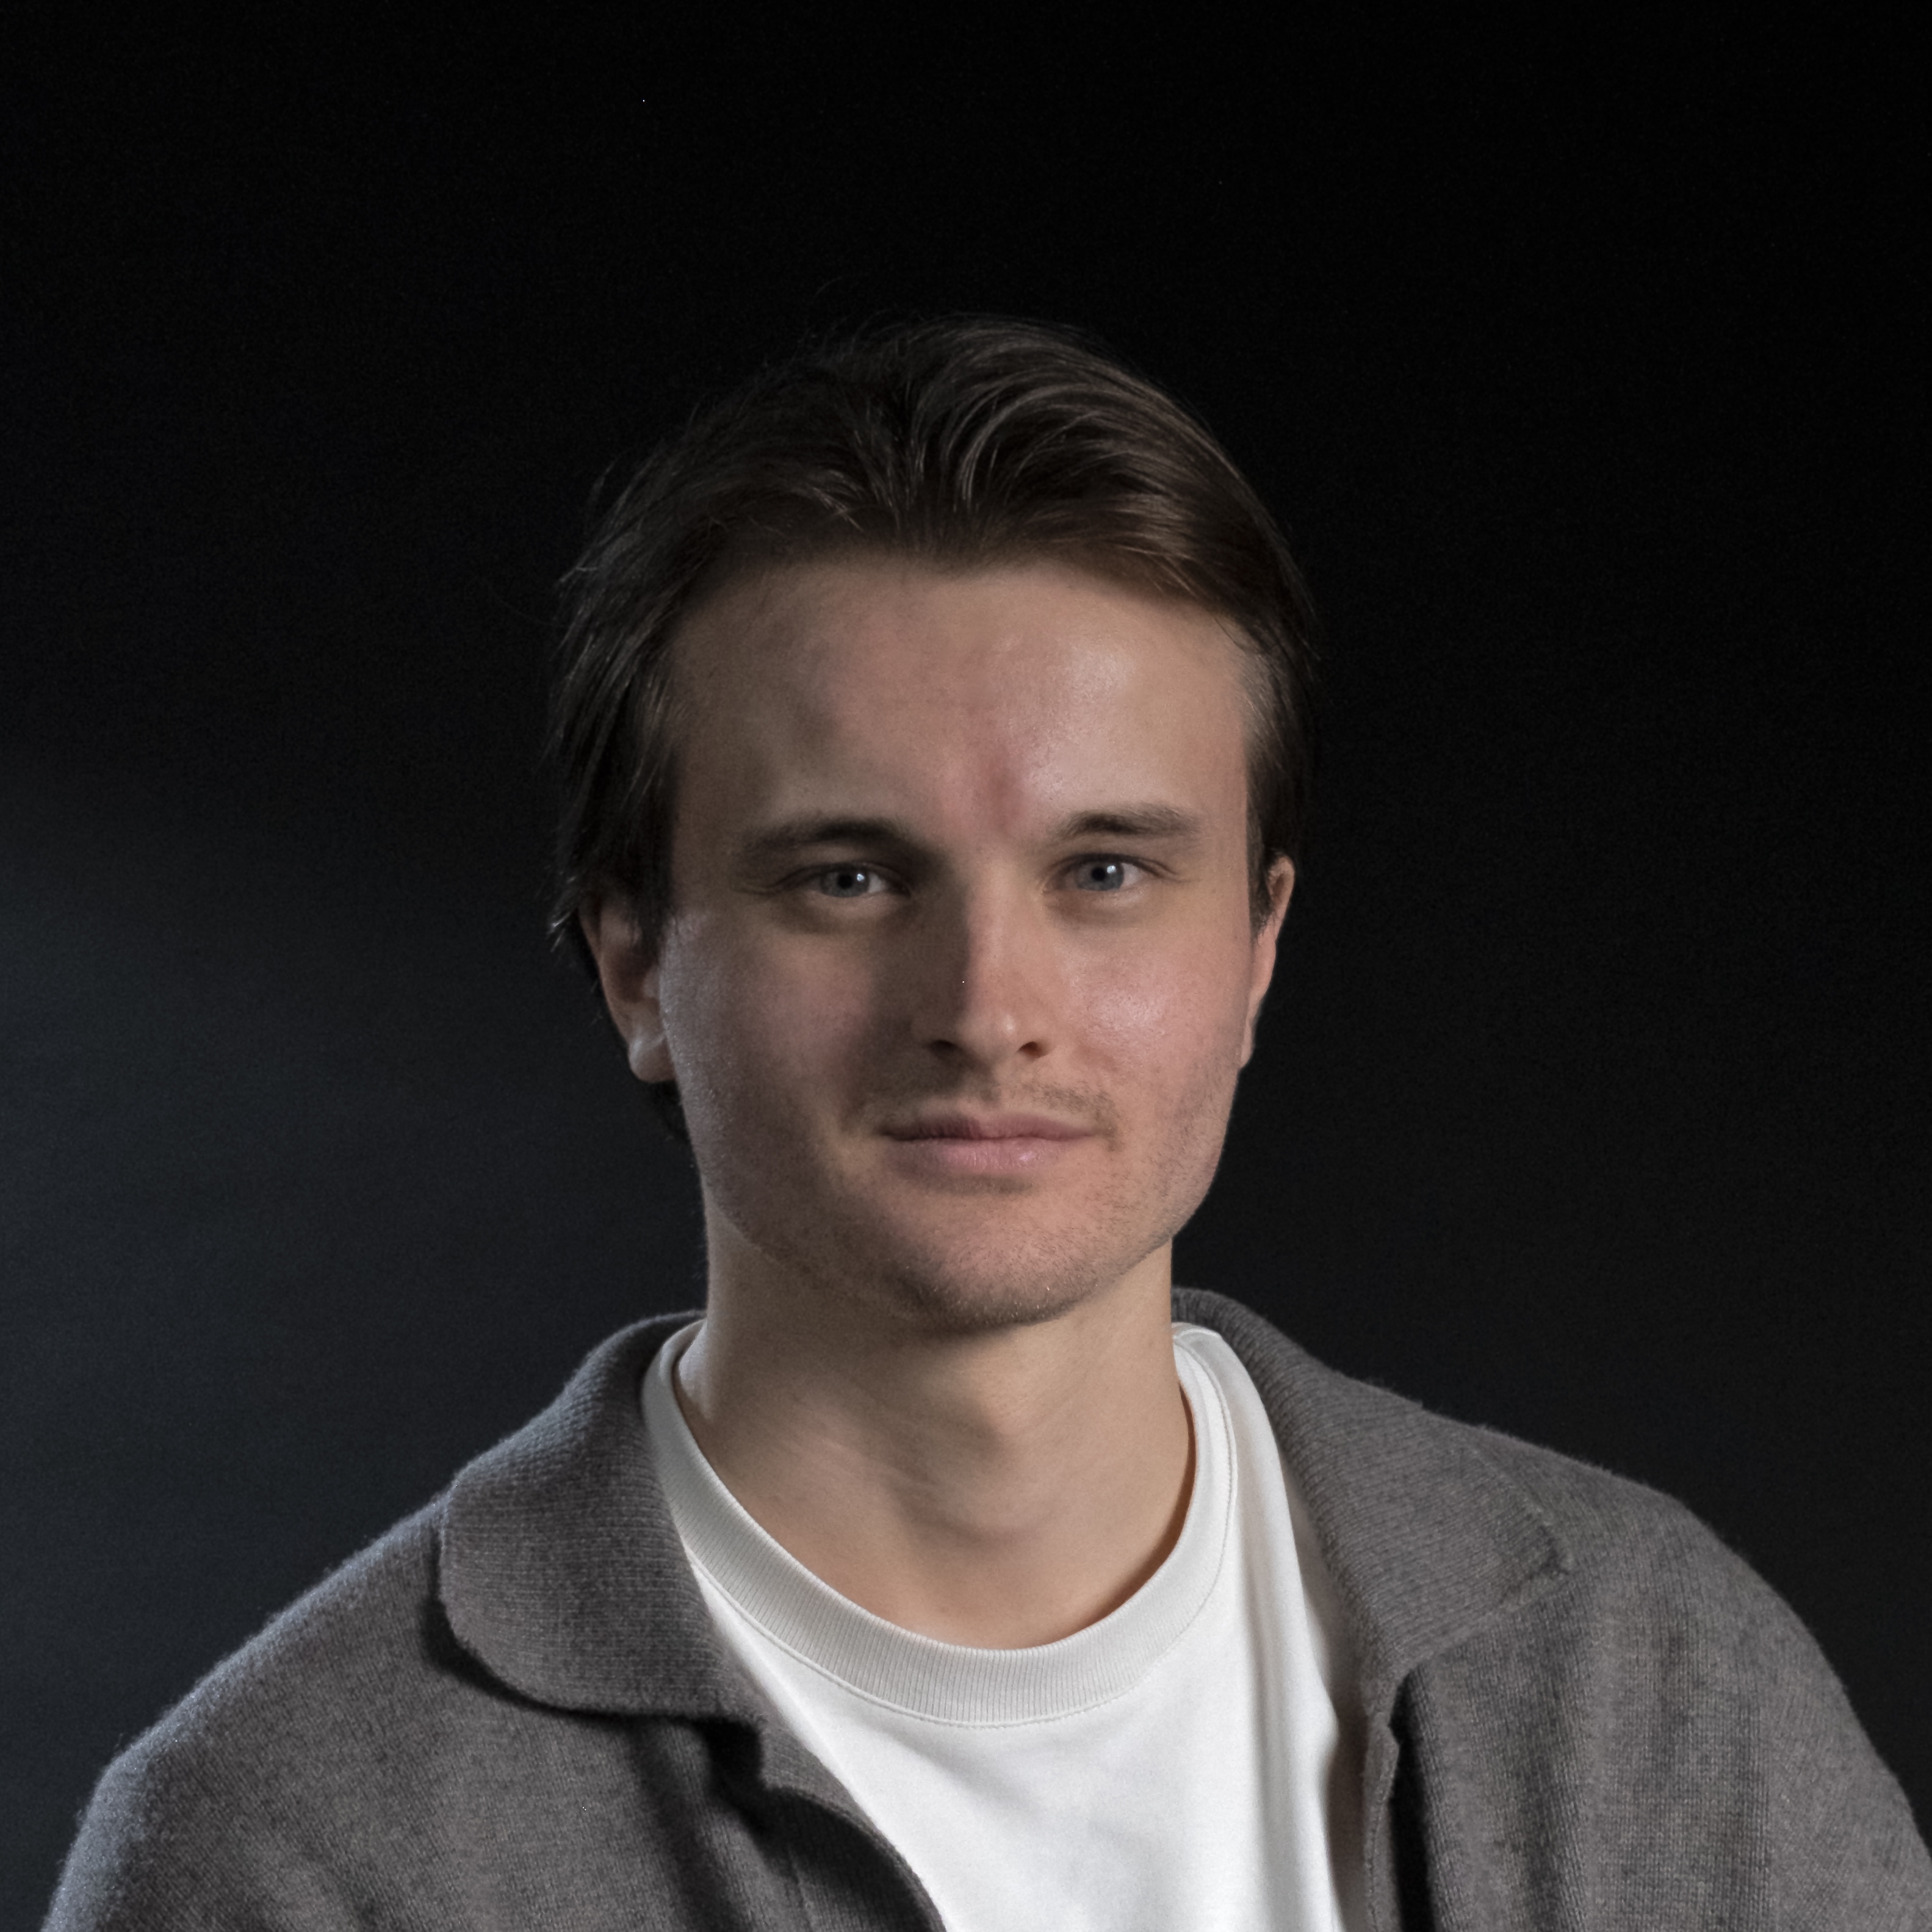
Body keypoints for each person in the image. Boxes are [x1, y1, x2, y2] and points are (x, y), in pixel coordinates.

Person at [48, 318, 1928, 1931]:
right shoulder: (298, 1852)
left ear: (1258, 949)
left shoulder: (1646, 1680)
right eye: (850, 877)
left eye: (1106, 870)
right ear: (634, 965)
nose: (986, 1006)